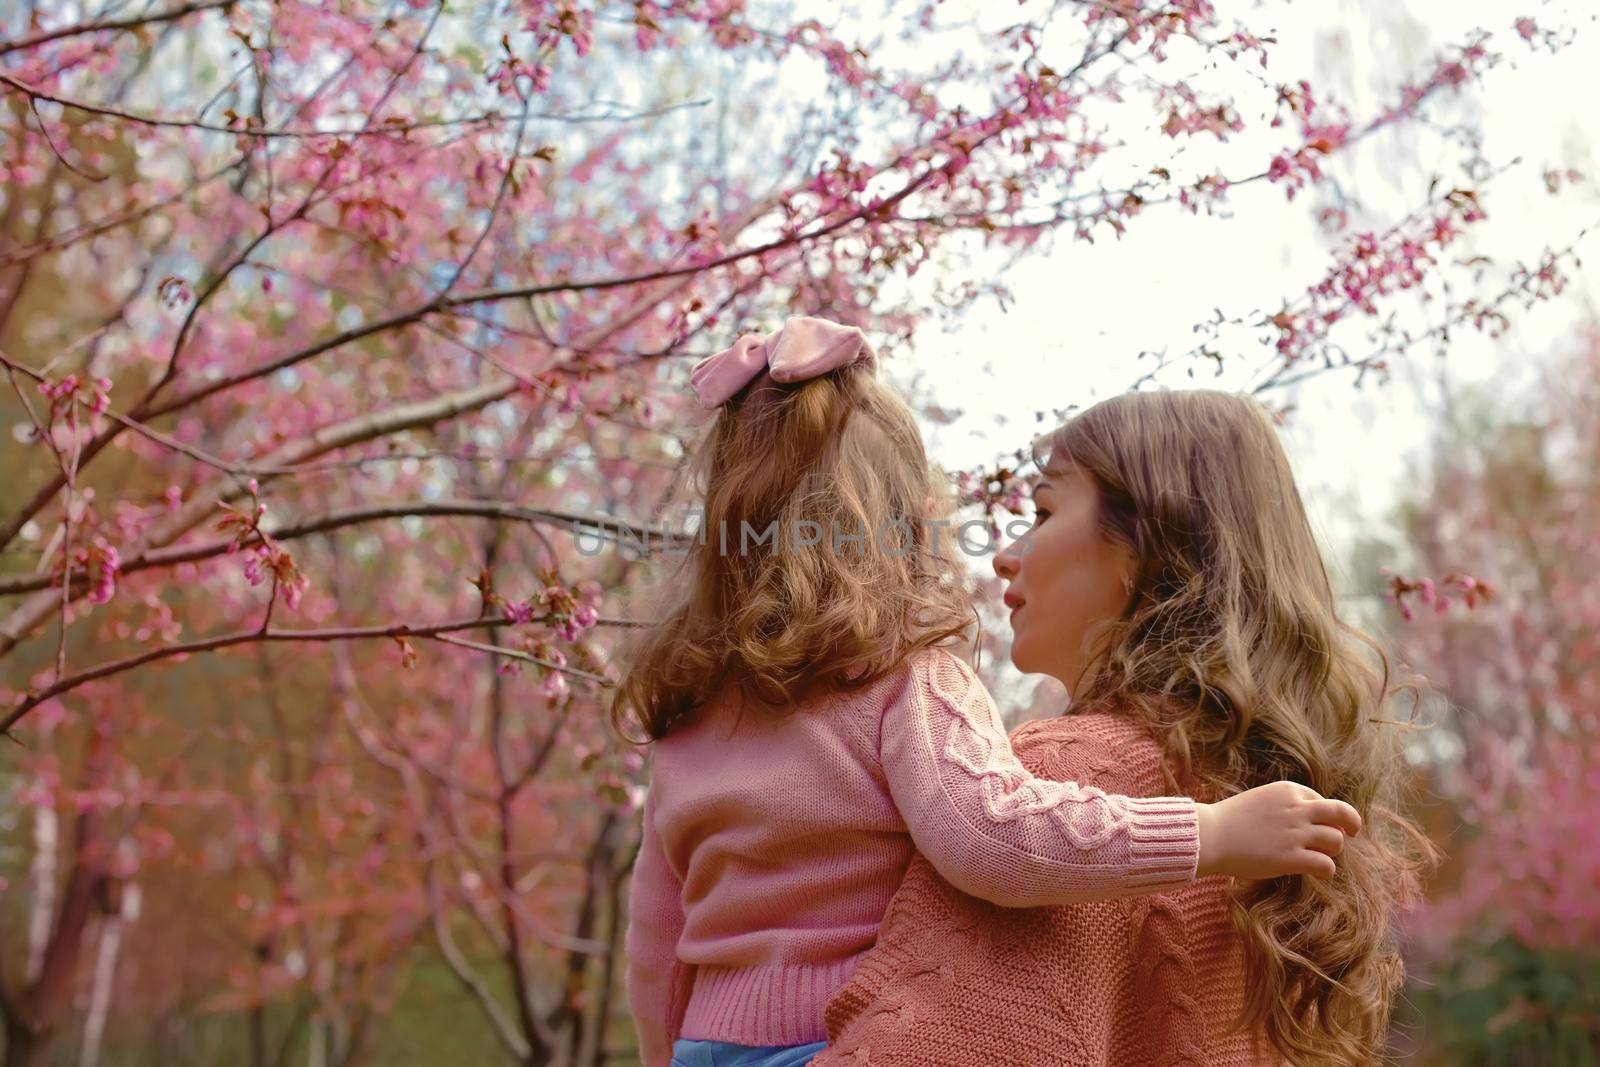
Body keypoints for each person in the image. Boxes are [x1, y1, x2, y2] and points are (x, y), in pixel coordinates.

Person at [615, 320, 1362, 1067]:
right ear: (899, 524)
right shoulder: (909, 679)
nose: (1002, 552)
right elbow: (990, 837)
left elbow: (654, 943)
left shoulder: (687, 720)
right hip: (832, 1035)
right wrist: (1208, 833)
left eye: (1038, 513)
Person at [816, 389, 1432, 1067]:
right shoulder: (1269, 806)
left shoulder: (1055, 784)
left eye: (1044, 511)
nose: (1004, 555)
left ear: (1144, 542)